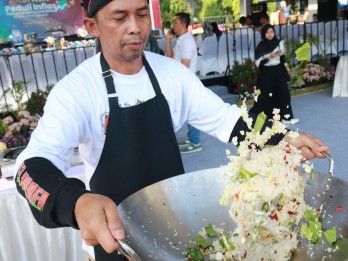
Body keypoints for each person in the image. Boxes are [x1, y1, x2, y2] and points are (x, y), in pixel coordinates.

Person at [14, 1, 328, 261]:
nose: (134, 27)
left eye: (140, 14)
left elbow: (227, 120)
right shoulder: (77, 90)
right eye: (120, 18)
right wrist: (75, 201)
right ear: (93, 27)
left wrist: (282, 137)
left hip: (177, 225)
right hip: (116, 239)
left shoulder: (171, 74)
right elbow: (30, 166)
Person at [166, 12, 202, 154]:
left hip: (187, 81)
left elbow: (185, 65)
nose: (173, 25)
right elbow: (170, 56)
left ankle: (195, 142)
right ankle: (192, 138)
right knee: (187, 111)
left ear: (181, 23)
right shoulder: (181, 39)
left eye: (175, 22)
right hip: (181, 80)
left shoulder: (187, 41)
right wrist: (168, 39)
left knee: (191, 111)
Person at [249, 24, 299, 125]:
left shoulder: (279, 43)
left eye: (272, 32)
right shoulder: (261, 46)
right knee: (267, 96)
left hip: (278, 71)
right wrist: (269, 57)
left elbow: (283, 59)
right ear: (264, 34)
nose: (270, 34)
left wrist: (282, 55)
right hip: (266, 73)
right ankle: (270, 117)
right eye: (267, 32)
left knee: (284, 93)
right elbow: (258, 64)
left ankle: (287, 117)